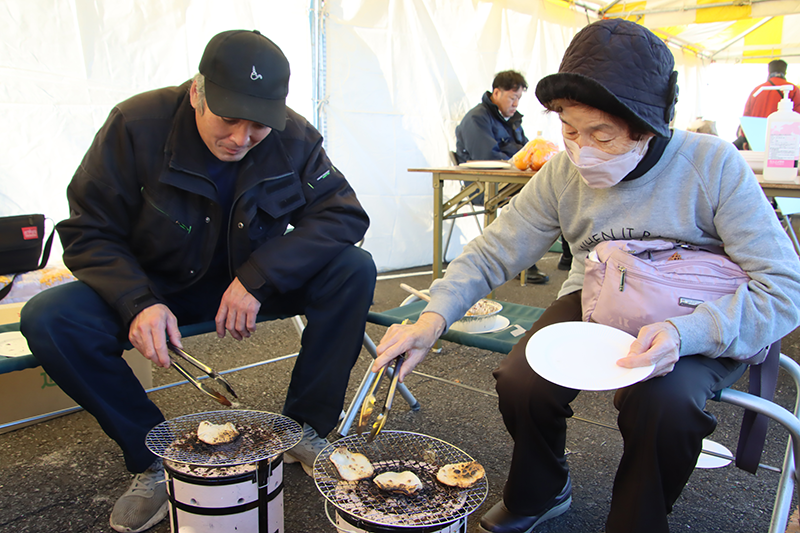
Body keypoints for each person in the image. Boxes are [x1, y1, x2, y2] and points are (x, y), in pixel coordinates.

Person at [374, 19, 800, 533]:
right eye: (570, 131)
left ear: (649, 126)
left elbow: (785, 287)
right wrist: (432, 318)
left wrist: (685, 334)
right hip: (599, 298)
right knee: (521, 379)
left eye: (603, 134)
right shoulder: (561, 172)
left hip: (695, 315)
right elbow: (494, 251)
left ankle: (636, 522)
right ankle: (541, 490)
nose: (583, 151)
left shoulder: (712, 165)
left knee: (662, 403)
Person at [19, 29, 376, 533]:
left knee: (353, 269)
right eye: (228, 119)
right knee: (50, 317)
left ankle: (304, 428)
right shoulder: (135, 124)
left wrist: (259, 275)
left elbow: (343, 215)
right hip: (157, 286)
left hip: (247, 282)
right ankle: (154, 456)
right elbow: (88, 230)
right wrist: (136, 300)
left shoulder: (294, 137)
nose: (240, 138)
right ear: (196, 92)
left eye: (258, 125)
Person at [455, 70, 549, 284]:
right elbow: (486, 156)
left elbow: (527, 152)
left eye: (519, 98)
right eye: (512, 97)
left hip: (509, 182)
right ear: (496, 93)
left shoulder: (513, 121)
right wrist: (519, 158)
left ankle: (565, 257)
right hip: (482, 186)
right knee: (533, 197)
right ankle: (520, 262)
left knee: (549, 189)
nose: (516, 103)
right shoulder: (476, 119)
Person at [736, 59, 800, 149]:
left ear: (769, 72)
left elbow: (746, 116)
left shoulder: (757, 90)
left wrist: (745, 139)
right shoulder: (792, 89)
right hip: (781, 139)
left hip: (756, 140)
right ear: (784, 72)